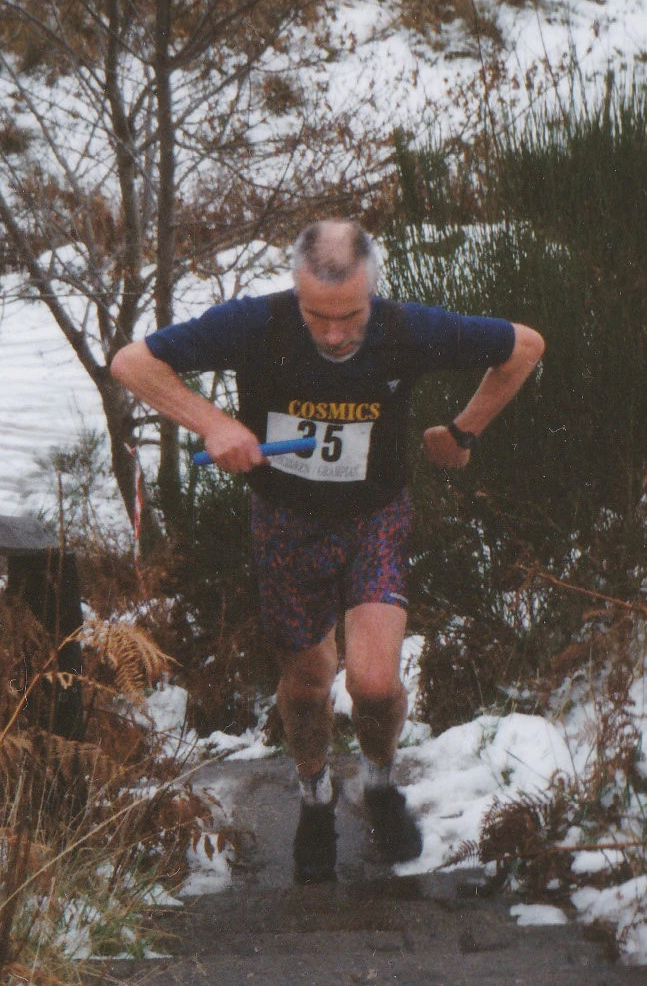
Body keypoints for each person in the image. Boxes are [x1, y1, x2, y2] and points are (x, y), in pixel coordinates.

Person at [111, 221, 545, 884]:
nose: (336, 334)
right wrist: (214, 422)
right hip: (285, 522)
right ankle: (314, 794)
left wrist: (462, 432)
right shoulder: (256, 325)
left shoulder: (405, 329)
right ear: (295, 291)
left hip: (374, 516)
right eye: (318, 315)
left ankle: (377, 781)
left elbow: (522, 346)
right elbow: (132, 362)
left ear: (372, 292)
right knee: (308, 684)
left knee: (373, 681)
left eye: (351, 316)